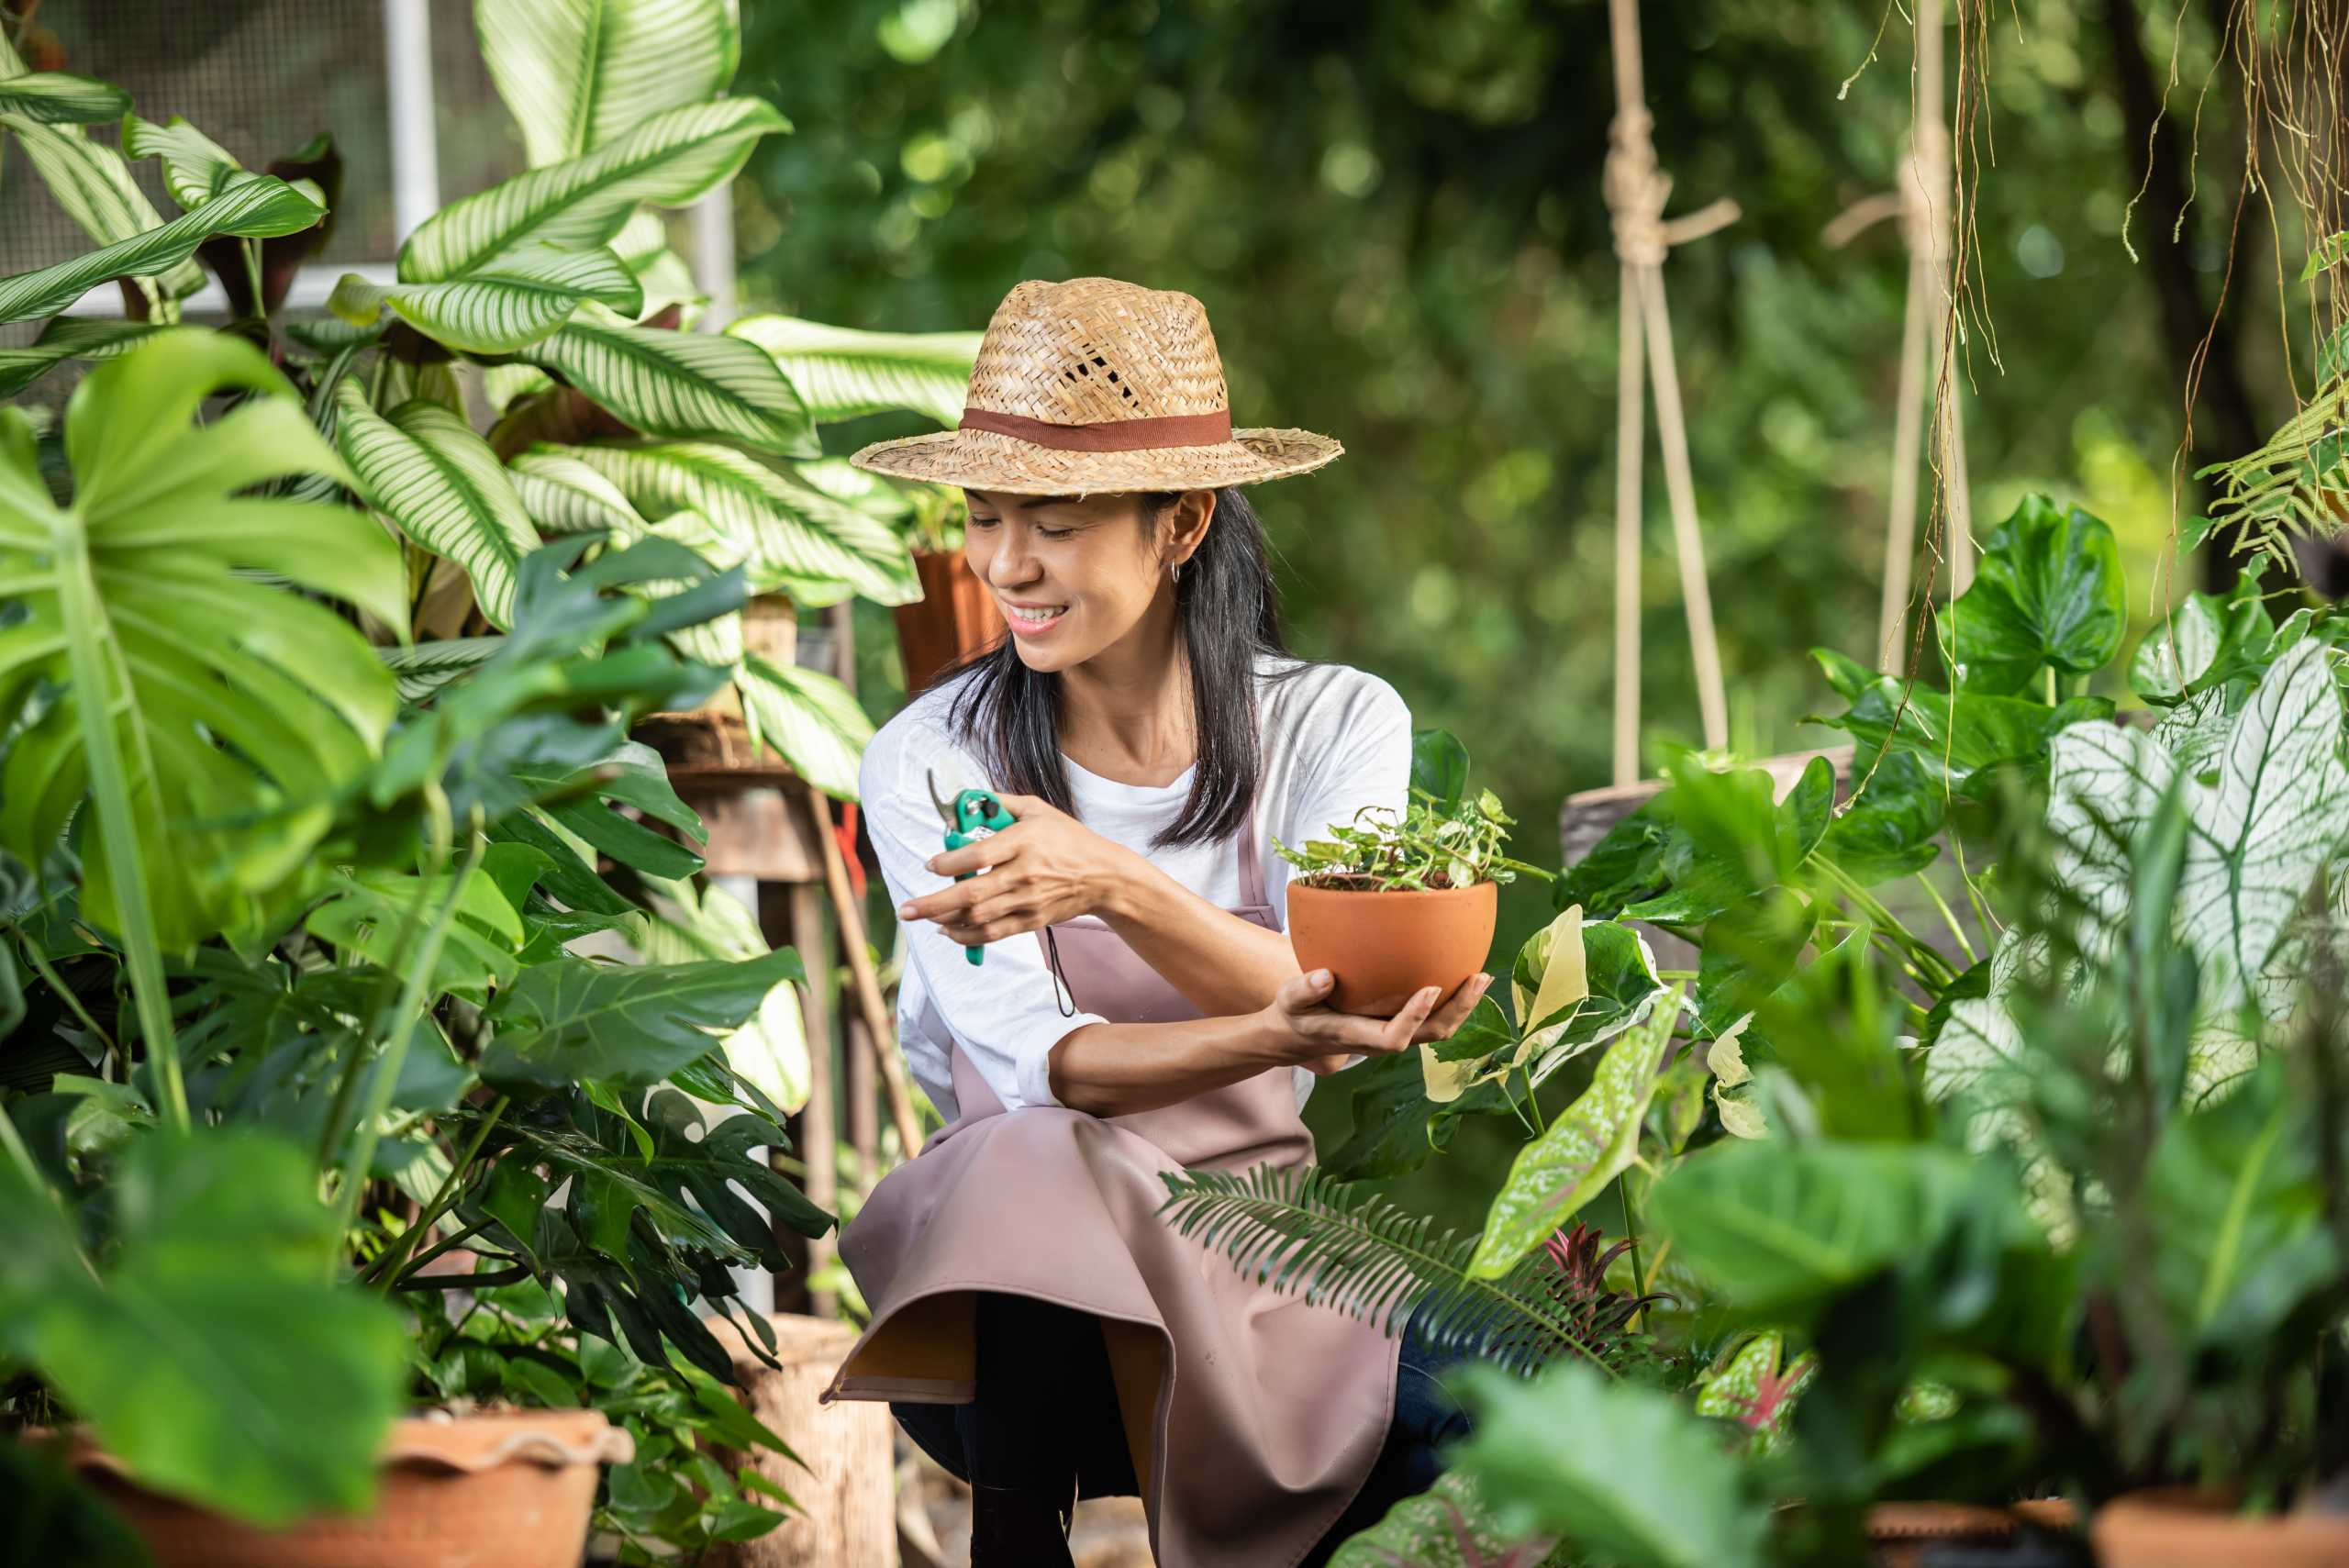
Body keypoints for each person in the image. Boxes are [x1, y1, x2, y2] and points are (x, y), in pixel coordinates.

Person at [819, 277, 1489, 1567]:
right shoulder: (930, 759)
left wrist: (1110, 881)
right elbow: (1052, 1065)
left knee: (1510, 1412)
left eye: (1054, 525)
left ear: (1180, 521)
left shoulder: (1337, 725)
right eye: (987, 517)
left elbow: (1340, 1012)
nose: (1005, 565)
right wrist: (1284, 1016)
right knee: (1034, 1148)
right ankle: (1014, 1540)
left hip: (1264, 1270)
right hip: (1018, 1320)